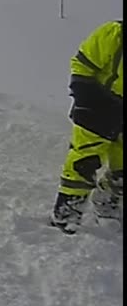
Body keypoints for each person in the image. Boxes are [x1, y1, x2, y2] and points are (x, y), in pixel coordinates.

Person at [50, 19, 123, 233]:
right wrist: (87, 97)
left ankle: (106, 199)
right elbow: (82, 65)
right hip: (98, 107)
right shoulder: (114, 34)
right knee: (85, 161)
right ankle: (67, 213)